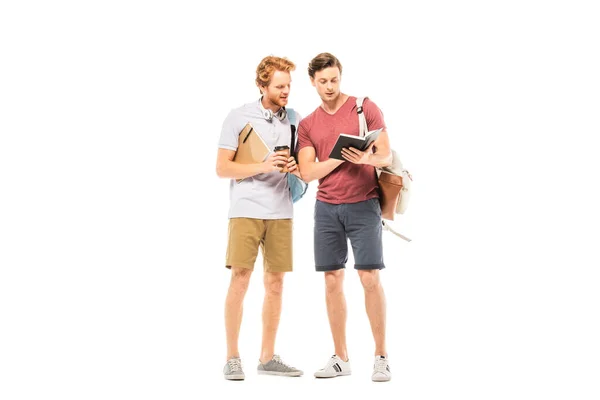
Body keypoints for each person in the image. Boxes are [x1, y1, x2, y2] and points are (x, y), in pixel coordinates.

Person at [297, 52, 393, 382]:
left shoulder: (364, 107)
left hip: (364, 204)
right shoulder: (308, 124)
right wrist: (340, 159)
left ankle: (381, 356)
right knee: (332, 280)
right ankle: (341, 357)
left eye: (334, 79)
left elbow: (386, 153)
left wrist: (366, 156)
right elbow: (308, 172)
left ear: (341, 76)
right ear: (312, 81)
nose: (329, 86)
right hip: (326, 208)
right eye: (322, 81)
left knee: (369, 278)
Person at [216, 55, 303, 380]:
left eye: (289, 86)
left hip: (282, 211)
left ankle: (267, 357)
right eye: (280, 86)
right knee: (240, 279)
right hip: (246, 211)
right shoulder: (238, 117)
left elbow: (304, 168)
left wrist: (295, 168)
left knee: (276, 284)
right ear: (262, 86)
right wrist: (264, 165)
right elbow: (222, 168)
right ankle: (232, 356)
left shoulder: (294, 119)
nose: (286, 92)